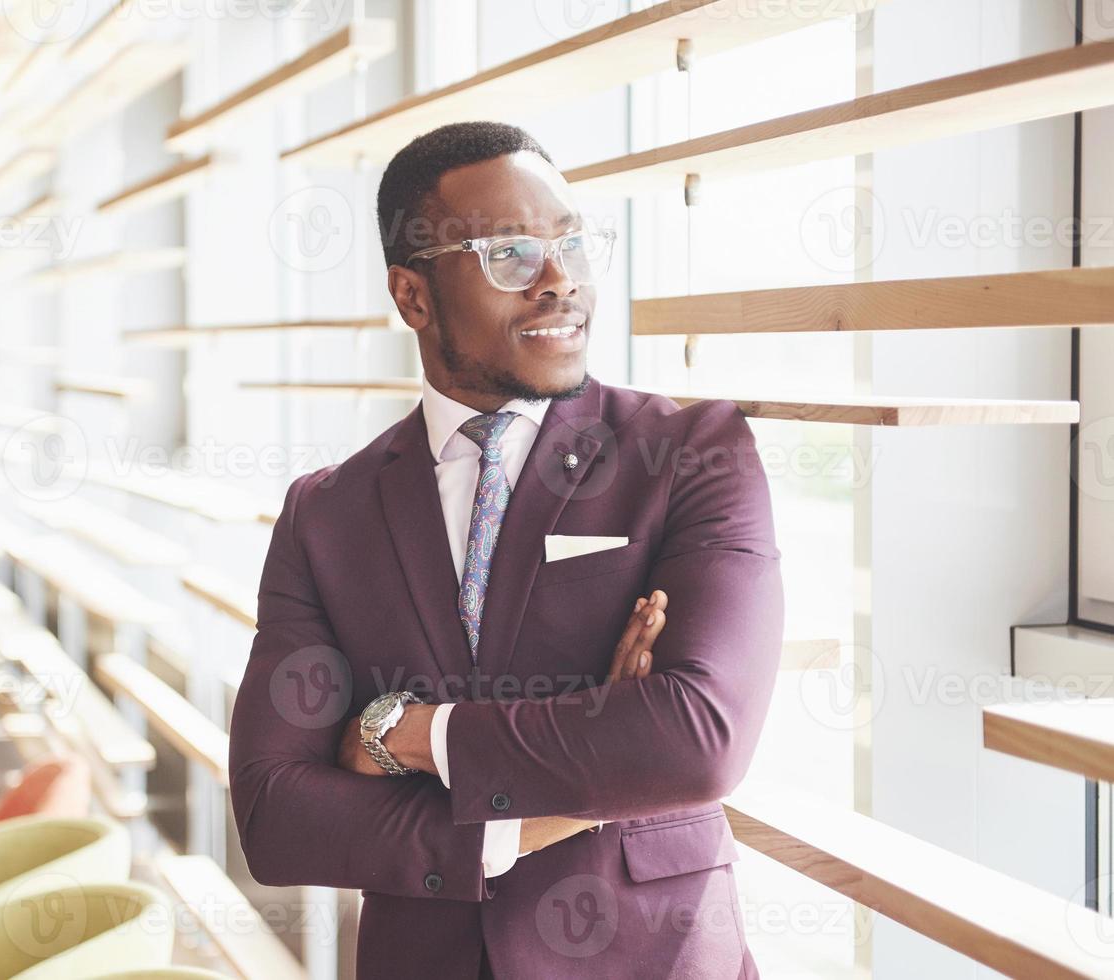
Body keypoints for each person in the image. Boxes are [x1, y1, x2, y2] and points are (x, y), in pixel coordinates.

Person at [228, 121, 784, 979]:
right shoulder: (325, 514)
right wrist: (523, 821)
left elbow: (697, 739)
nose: (559, 281)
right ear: (413, 298)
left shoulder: (689, 452)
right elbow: (274, 813)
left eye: (571, 243)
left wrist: (405, 736)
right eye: (509, 255)